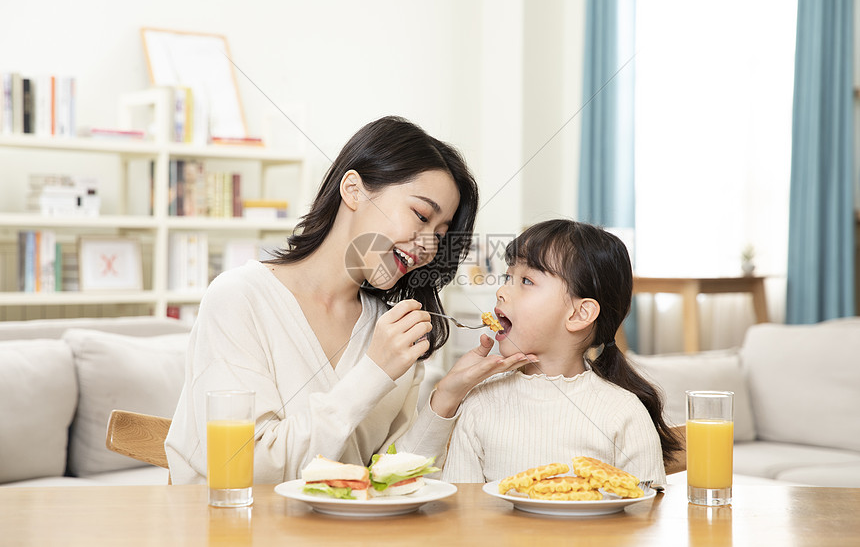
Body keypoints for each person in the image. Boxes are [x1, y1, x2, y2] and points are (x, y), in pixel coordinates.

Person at [165, 116, 535, 484]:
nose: (428, 246)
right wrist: (373, 372)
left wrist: (446, 398)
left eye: (440, 233)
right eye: (421, 215)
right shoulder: (239, 298)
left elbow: (389, 476)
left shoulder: (394, 331)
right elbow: (245, 469)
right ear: (354, 190)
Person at [441, 219, 682, 485]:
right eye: (508, 277)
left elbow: (644, 516)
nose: (501, 291)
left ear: (580, 314)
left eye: (527, 281)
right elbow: (460, 514)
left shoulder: (624, 414)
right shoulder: (479, 404)